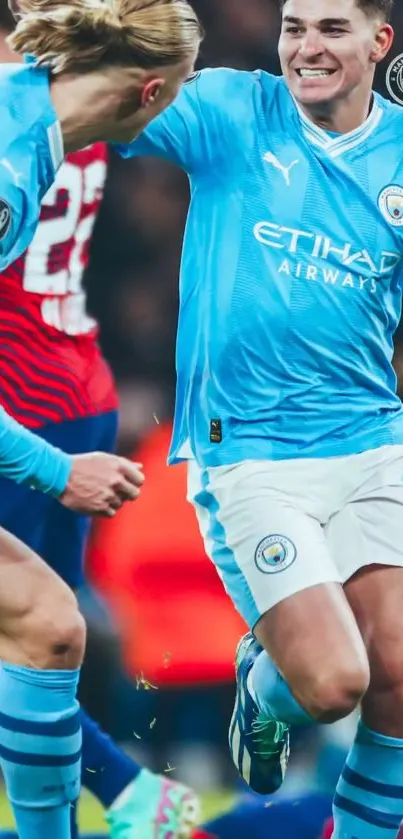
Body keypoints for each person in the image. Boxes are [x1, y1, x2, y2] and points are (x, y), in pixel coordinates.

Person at [116, 0, 403, 836]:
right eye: (292, 28)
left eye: (330, 29)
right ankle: (262, 686)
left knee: (394, 677)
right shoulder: (231, 110)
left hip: (372, 442)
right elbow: (108, 103)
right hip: (250, 450)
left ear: (379, 41)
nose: (305, 48)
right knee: (331, 686)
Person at [0, 2, 202, 838]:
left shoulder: (36, 109)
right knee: (39, 627)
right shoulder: (31, 132)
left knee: (41, 631)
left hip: (34, 396)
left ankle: (122, 799)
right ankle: (128, 795)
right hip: (60, 393)